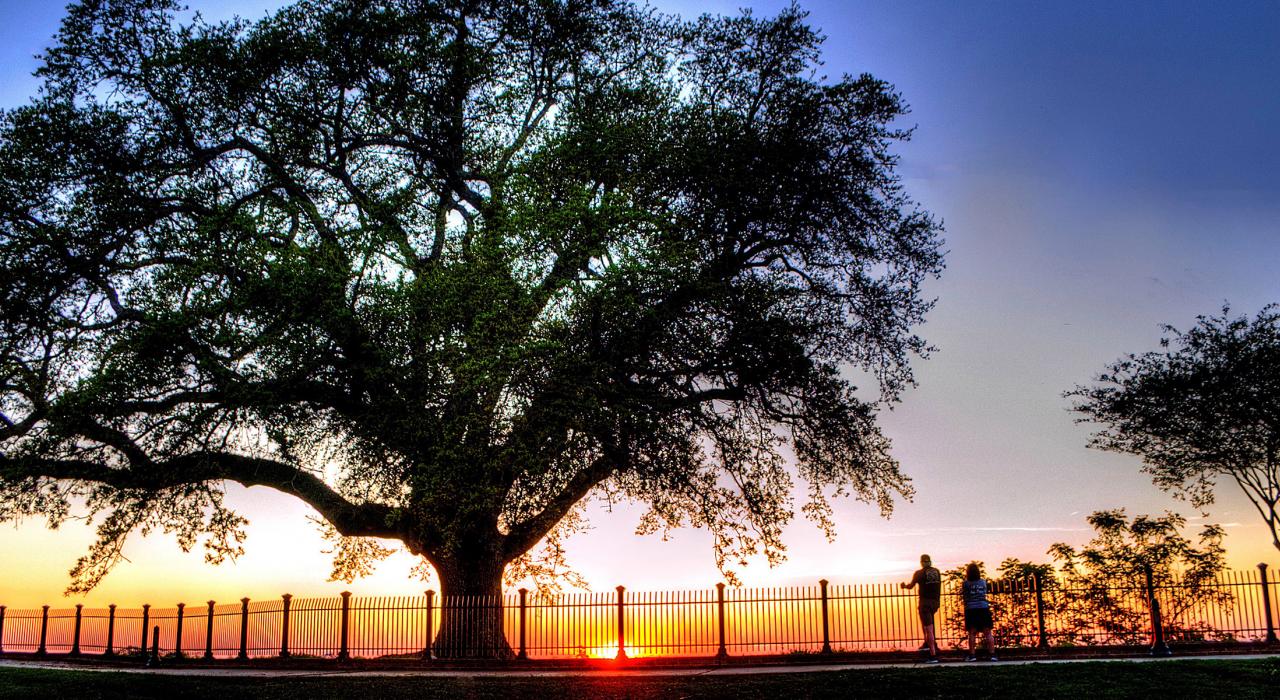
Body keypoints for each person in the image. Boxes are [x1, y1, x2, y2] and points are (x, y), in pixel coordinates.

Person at [901, 553, 941, 663]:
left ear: (921, 562)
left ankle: (933, 655)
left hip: (925, 604)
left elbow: (911, 586)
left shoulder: (919, 573)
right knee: (930, 625)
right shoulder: (937, 572)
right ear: (930, 561)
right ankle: (928, 643)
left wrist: (904, 586)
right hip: (935, 603)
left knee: (928, 628)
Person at [962, 562, 998, 661]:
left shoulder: (966, 584)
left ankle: (972, 655)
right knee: (988, 632)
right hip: (983, 608)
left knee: (972, 633)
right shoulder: (983, 582)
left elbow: (965, 597)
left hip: (971, 609)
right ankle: (992, 654)